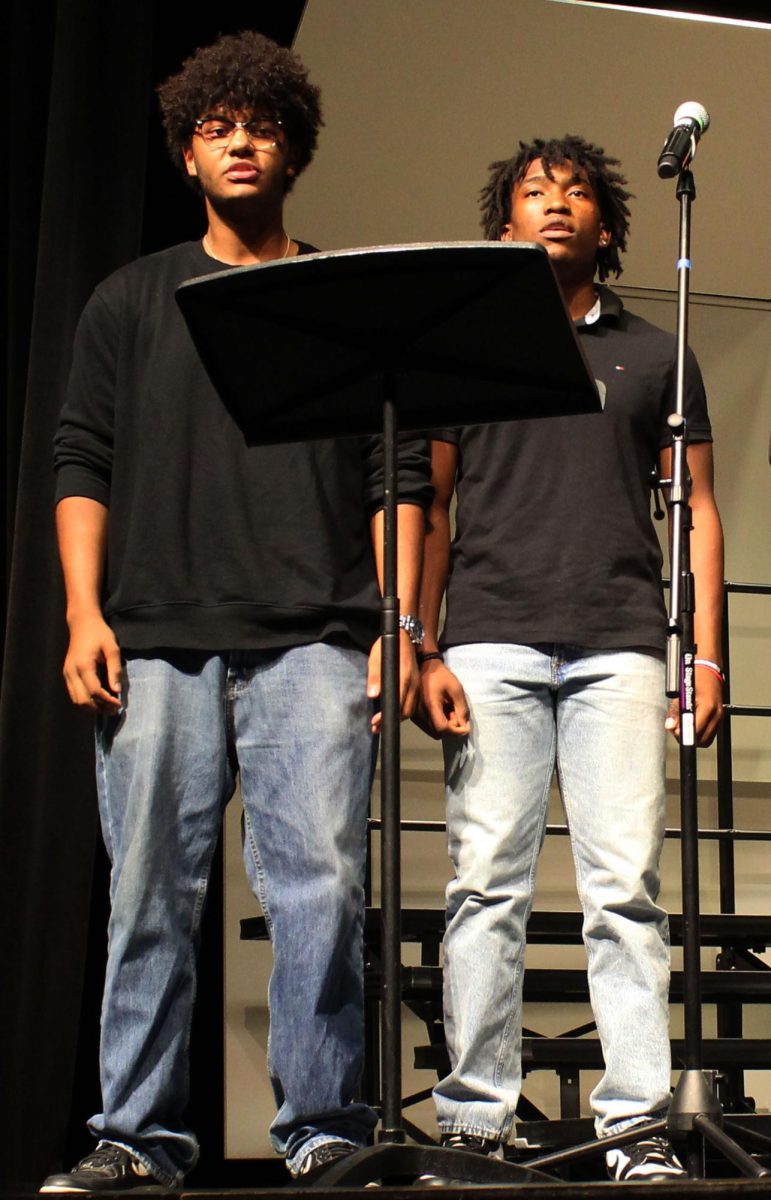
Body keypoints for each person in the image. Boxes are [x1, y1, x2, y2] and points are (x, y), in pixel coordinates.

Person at [42, 31, 432, 1194]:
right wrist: (81, 615)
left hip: (315, 633)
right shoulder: (129, 299)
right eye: (219, 127)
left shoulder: (340, 303)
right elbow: (81, 461)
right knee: (149, 894)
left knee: (321, 889)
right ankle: (139, 1137)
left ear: (293, 146)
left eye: (261, 124)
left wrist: (396, 628)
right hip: (155, 632)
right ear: (188, 150)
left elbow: (391, 479)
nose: (241, 141)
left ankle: (322, 1130)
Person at [418, 135, 724, 1184]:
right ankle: (473, 1117)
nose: (555, 205)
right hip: (490, 637)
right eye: (533, 193)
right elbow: (431, 506)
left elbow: (701, 512)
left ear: (607, 221)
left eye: (575, 192)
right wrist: (417, 645)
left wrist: (711, 655)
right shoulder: (467, 346)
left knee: (624, 890)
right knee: (485, 886)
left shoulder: (657, 350)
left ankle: (635, 1126)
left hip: (623, 645)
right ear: (503, 222)